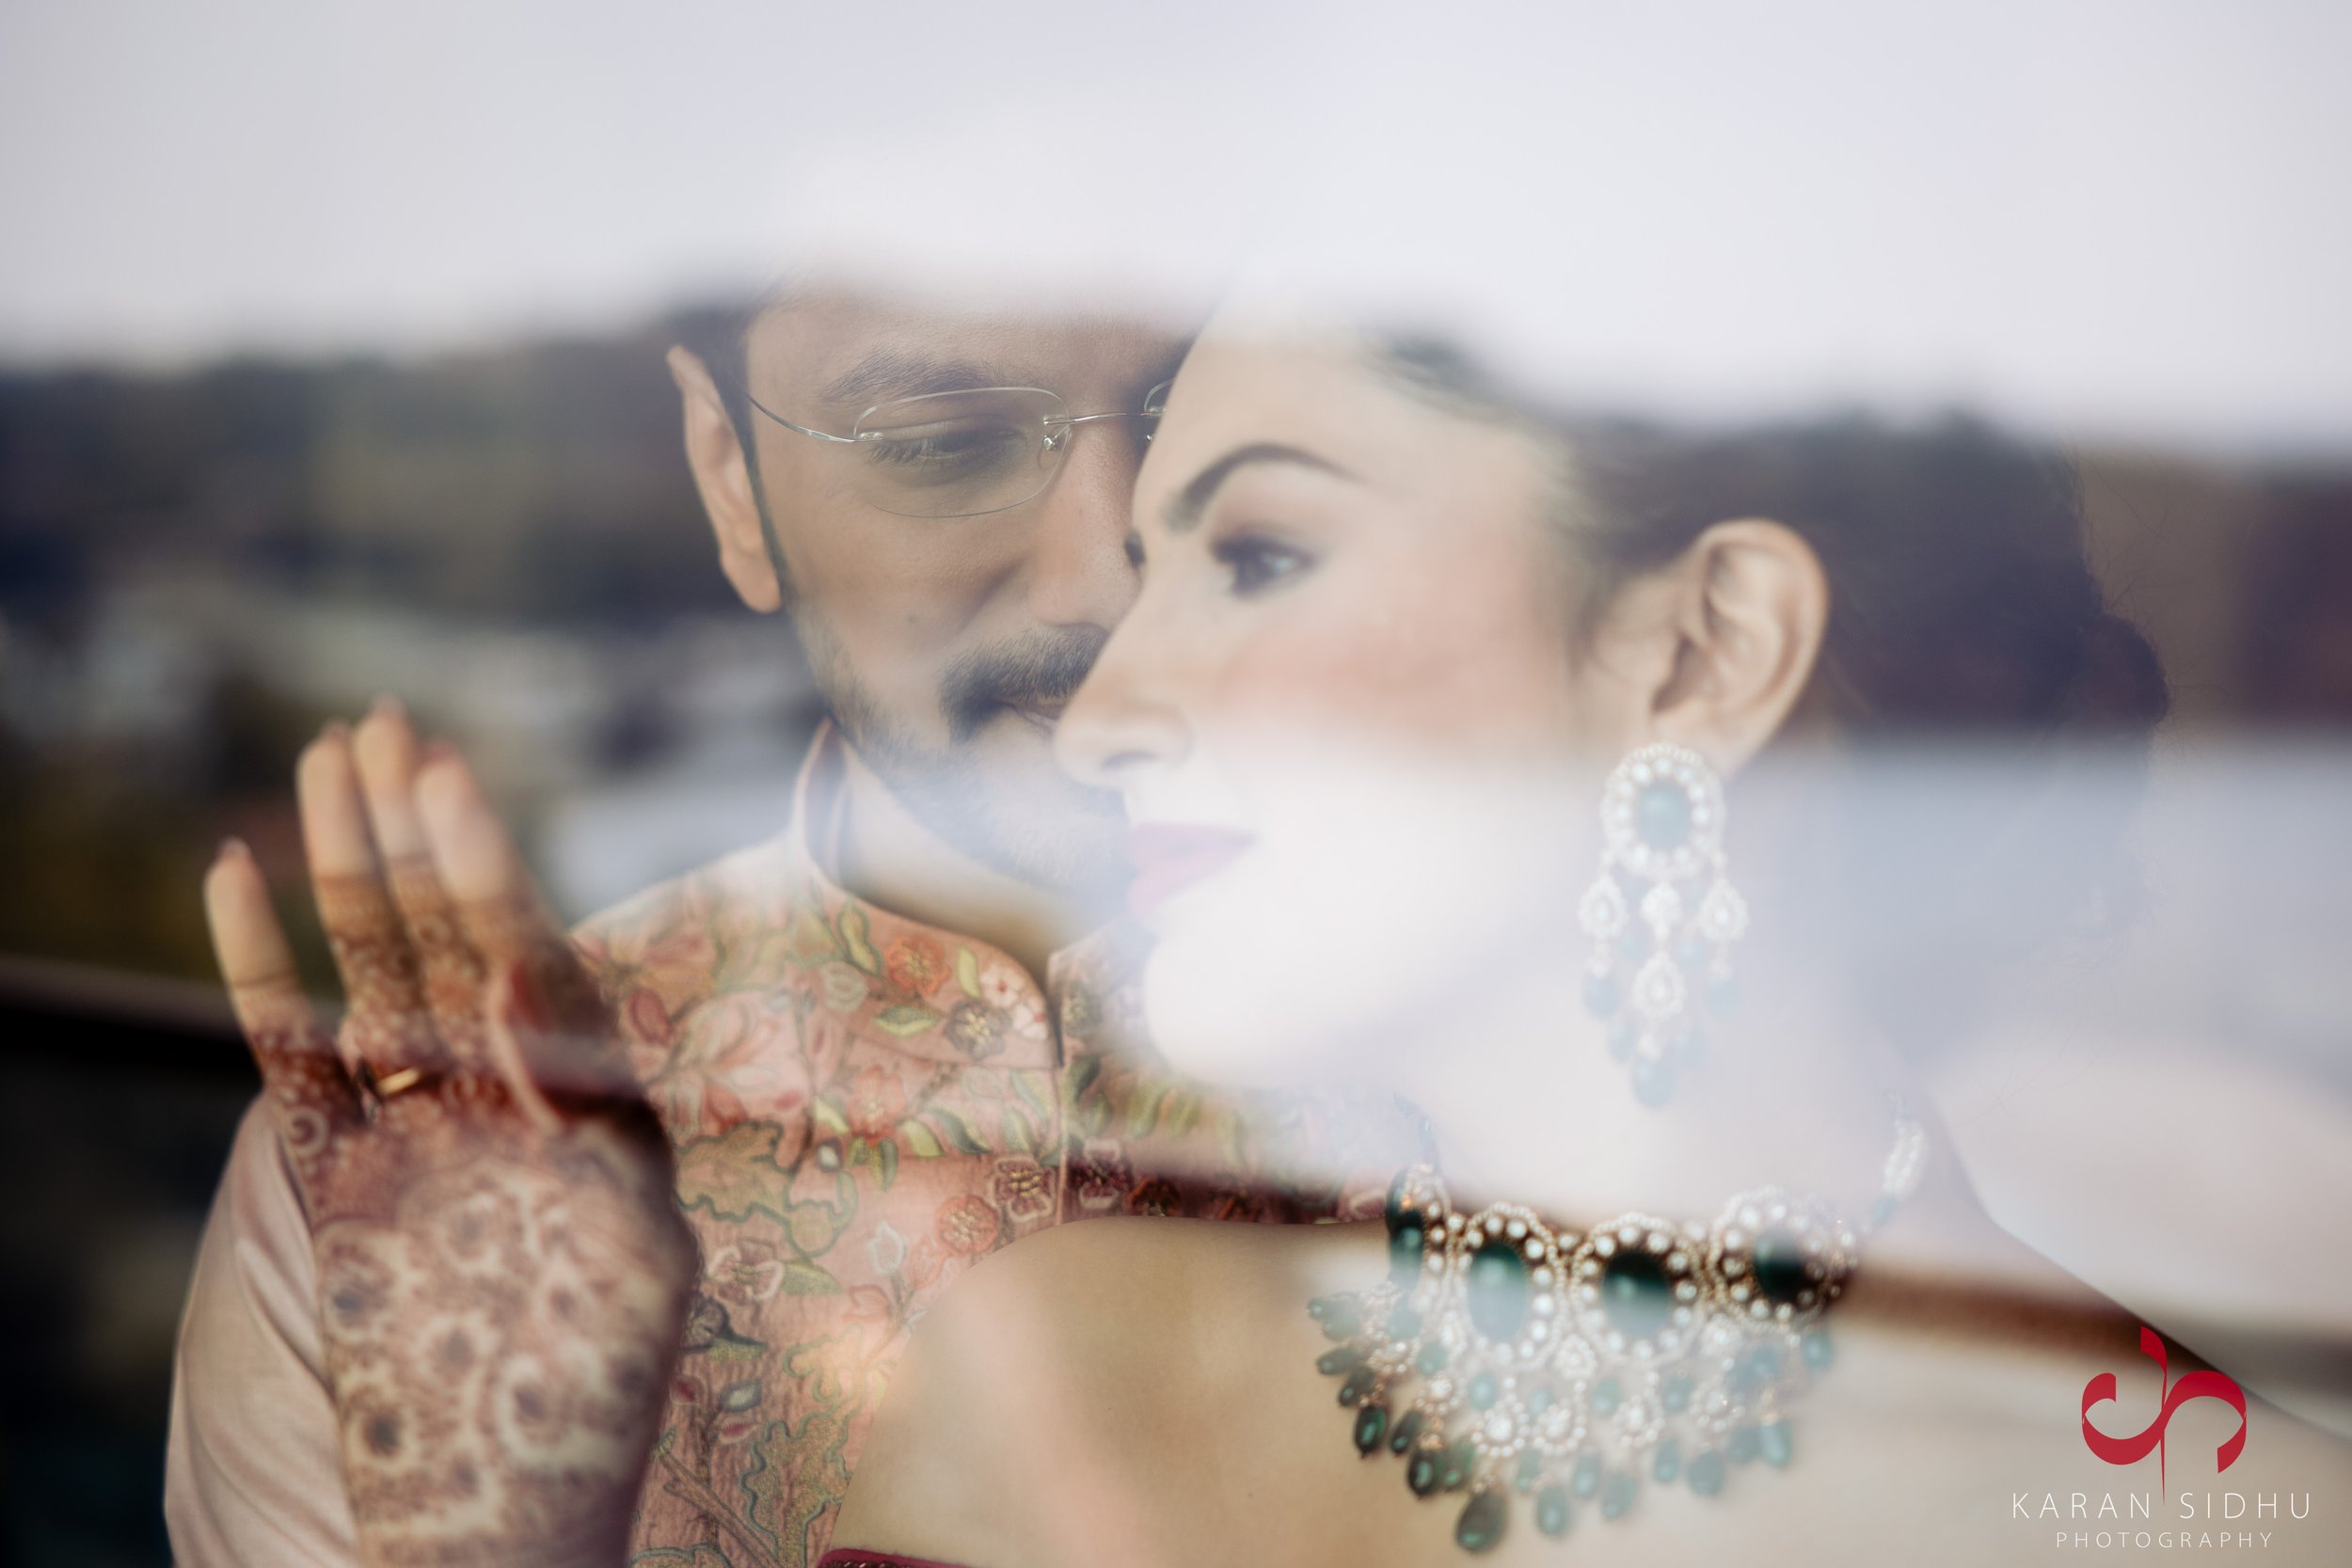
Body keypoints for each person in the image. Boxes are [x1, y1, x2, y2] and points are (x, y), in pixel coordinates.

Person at [816, 312, 2350, 1564]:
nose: (1100, 724)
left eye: (1260, 556)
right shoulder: (1077, 1385)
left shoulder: (2208, 1525)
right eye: (1156, 578)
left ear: (1701, 653)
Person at [167, 283, 1422, 1568]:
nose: (1106, 577)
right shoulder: (417, 1173)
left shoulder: (1535, 1067)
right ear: (730, 479)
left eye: (1186, 422)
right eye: (943, 445)